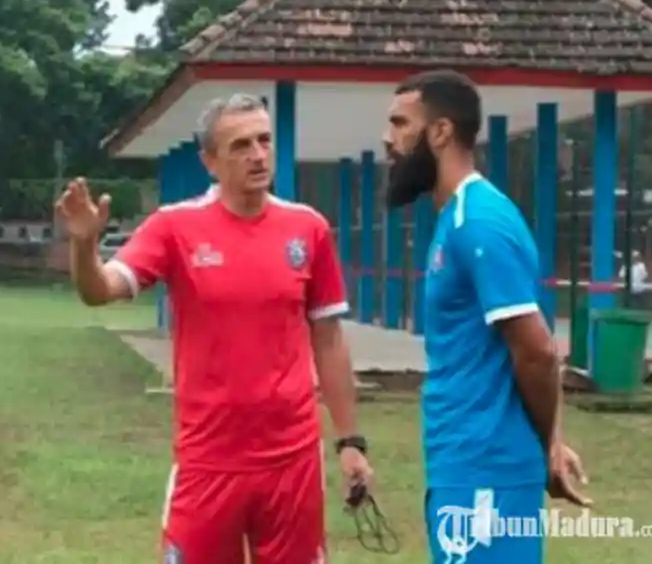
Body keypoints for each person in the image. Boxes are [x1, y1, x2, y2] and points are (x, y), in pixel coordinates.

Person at [55, 93, 372, 564]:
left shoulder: (308, 229)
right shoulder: (174, 227)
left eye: (264, 140)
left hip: (293, 460)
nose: (258, 155)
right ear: (209, 161)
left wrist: (350, 442)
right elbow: (101, 290)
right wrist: (84, 248)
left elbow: (328, 339)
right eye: (241, 145)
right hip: (209, 462)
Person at [381, 70, 591, 564]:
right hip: (465, 464)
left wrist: (546, 445)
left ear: (440, 132)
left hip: (486, 473)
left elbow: (536, 350)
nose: (389, 140)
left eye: (399, 124)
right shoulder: (455, 218)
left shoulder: (479, 223)